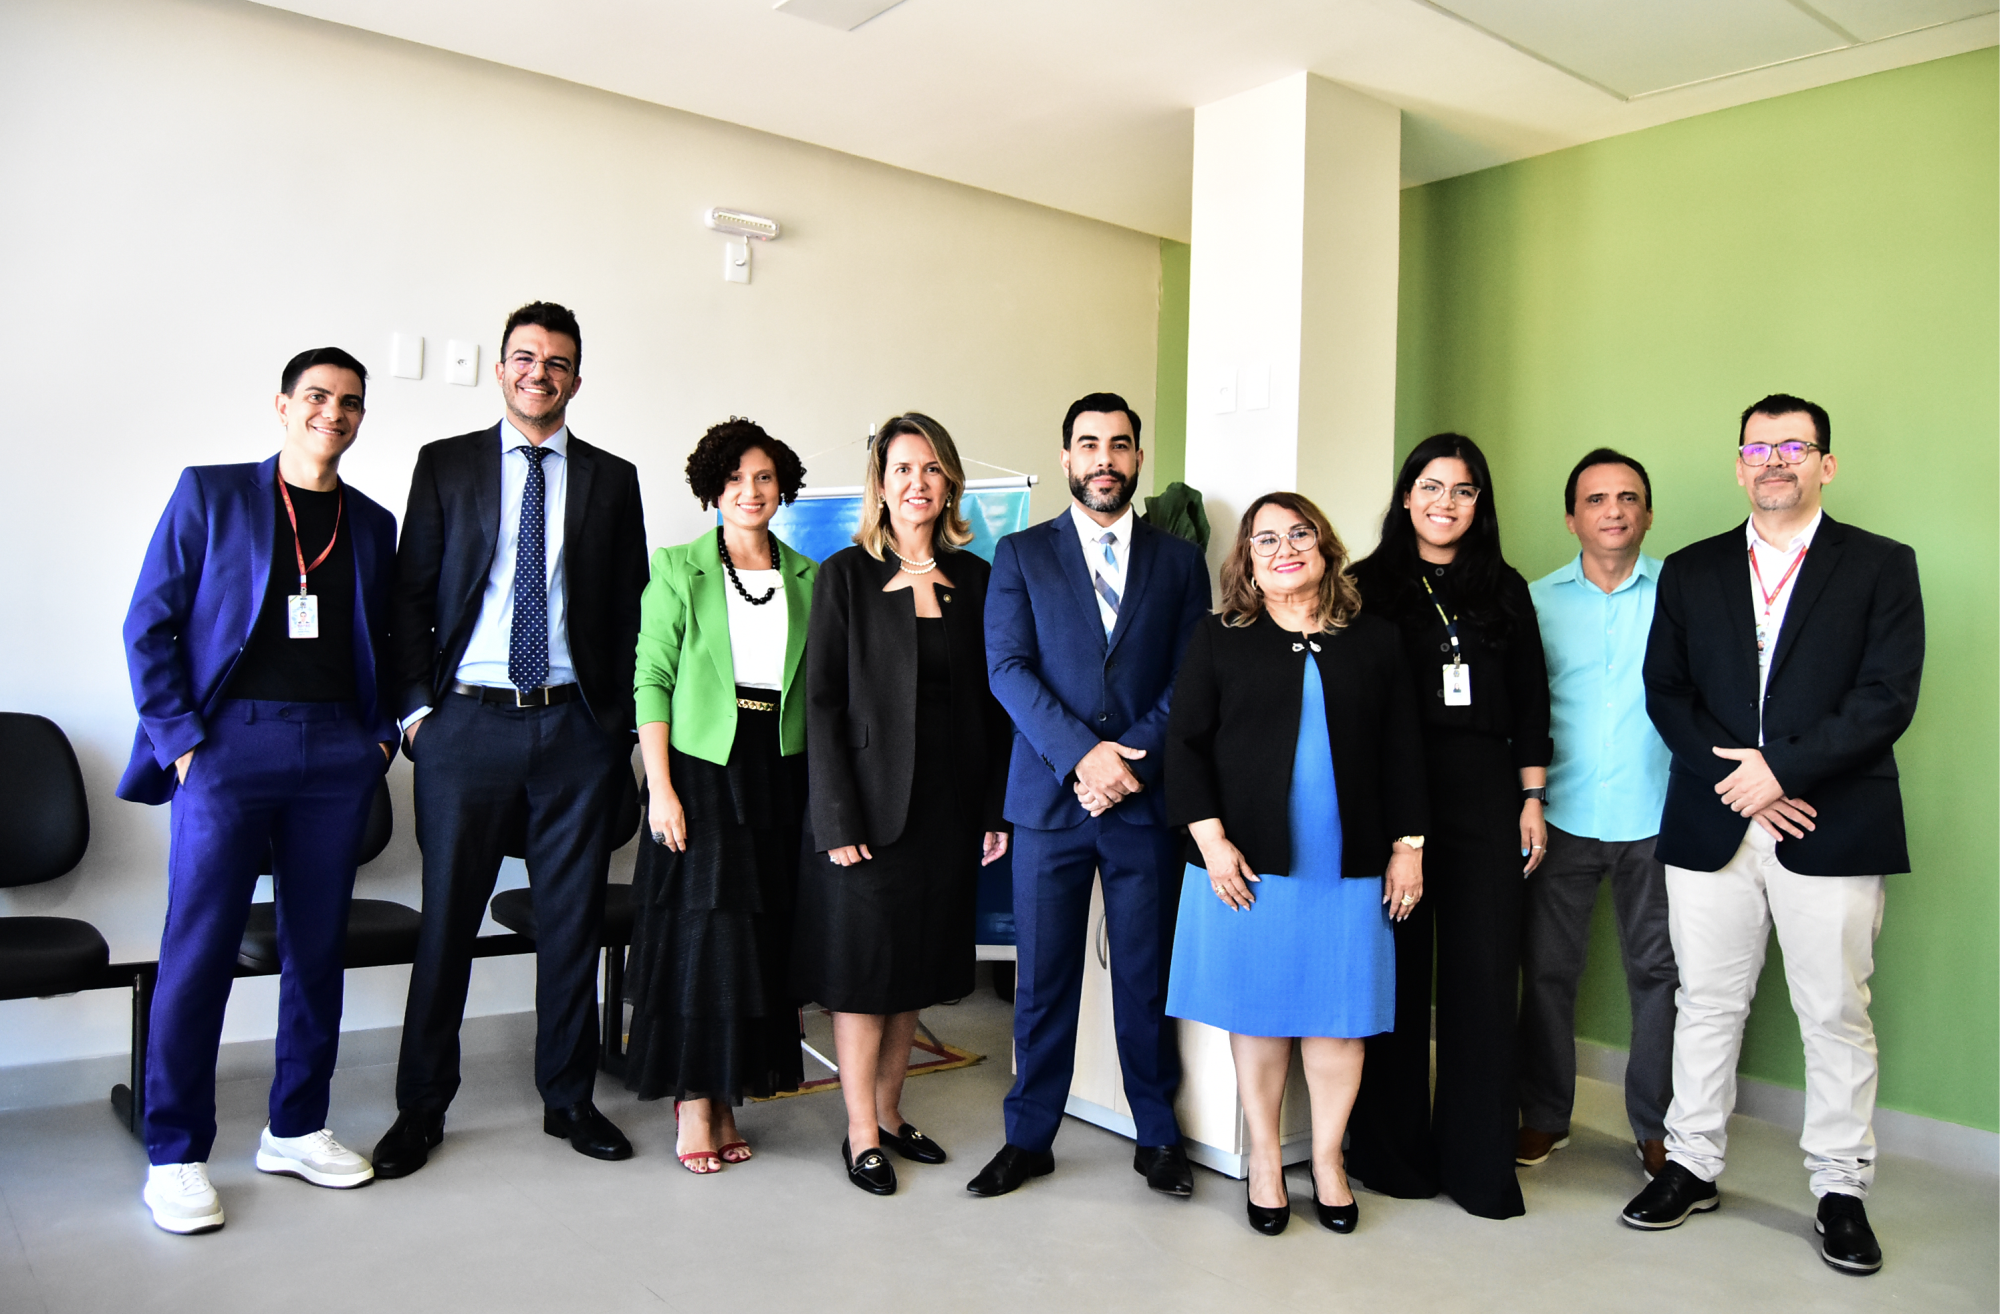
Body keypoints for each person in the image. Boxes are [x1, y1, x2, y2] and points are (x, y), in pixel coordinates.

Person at [1622, 395, 1923, 1277]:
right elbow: (1666, 691)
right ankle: (1690, 1164)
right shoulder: (1692, 569)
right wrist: (1741, 784)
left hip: (1832, 819)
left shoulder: (1880, 565)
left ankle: (1840, 1189)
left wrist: (1781, 773)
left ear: (1826, 464)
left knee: (1834, 1012)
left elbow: (1886, 697)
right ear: (1739, 465)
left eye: (1794, 446)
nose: (1774, 461)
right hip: (1712, 820)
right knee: (1707, 1003)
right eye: (1758, 448)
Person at [119, 347, 399, 1233]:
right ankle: (175, 1154)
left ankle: (296, 1127)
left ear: (361, 417)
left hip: (337, 752)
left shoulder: (372, 523)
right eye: (316, 396)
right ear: (282, 406)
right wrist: (182, 744)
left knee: (316, 948)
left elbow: (389, 641)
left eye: (349, 402)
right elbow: (148, 624)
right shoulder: (212, 494)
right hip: (227, 748)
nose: (332, 413)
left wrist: (380, 736)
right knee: (199, 948)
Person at [374, 301, 649, 1176]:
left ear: (577, 379)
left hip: (575, 728)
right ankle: (421, 1108)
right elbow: (409, 597)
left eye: (557, 361)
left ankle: (568, 1100)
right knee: (447, 925)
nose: (540, 373)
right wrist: (417, 717)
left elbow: (631, 610)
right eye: (525, 358)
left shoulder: (613, 479)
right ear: (501, 370)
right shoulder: (446, 464)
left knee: (570, 924)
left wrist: (614, 728)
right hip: (466, 726)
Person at [1163, 493, 1427, 1236]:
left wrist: (1408, 847)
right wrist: (1212, 844)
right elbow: (1185, 747)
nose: (1285, 549)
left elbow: (1404, 749)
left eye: (1299, 534)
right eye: (1266, 539)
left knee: (1340, 1022)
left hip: (1349, 864)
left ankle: (1331, 1162)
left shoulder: (1375, 640)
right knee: (1261, 1017)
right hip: (1248, 865)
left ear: (1325, 547)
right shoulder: (1218, 638)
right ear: (1247, 561)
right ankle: (1268, 1163)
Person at [970, 392, 1210, 1200]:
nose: (1104, 459)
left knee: (1146, 978)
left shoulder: (1178, 563)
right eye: (1089, 444)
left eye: (1119, 444)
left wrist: (1126, 763)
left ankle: (1158, 1135)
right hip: (1049, 803)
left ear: (1137, 457)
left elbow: (1189, 678)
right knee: (1042, 982)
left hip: (1142, 802)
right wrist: (1083, 758)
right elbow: (1008, 670)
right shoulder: (1021, 555)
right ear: (1067, 457)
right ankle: (1028, 1137)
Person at [795, 412, 1012, 1196]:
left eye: (930, 468)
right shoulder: (844, 576)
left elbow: (996, 707)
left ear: (949, 482)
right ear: (880, 487)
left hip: (947, 814)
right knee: (865, 976)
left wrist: (993, 810)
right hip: (866, 816)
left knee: (912, 970)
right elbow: (821, 704)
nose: (917, 482)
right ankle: (860, 1133)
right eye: (902, 470)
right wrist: (836, 817)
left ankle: (889, 1113)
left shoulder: (979, 581)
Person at [1344, 432, 1552, 1221]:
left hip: (1485, 795)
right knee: (1395, 977)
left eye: (1463, 490)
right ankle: (1391, 1158)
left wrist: (1531, 797)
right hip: (1393, 796)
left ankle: (1478, 1167)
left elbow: (1531, 700)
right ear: (1406, 496)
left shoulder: (1505, 587)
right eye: (1431, 487)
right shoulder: (1364, 586)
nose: (1445, 503)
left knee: (1484, 980)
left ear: (1479, 504)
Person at [624, 419, 817, 1173]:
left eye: (764, 477)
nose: (750, 491)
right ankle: (696, 1101)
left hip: (780, 773)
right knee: (704, 943)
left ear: (782, 487)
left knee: (758, 945)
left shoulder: (811, 577)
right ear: (713, 487)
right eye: (735, 478)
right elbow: (651, 679)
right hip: (701, 771)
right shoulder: (678, 567)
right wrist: (660, 788)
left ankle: (731, 1093)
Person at [1518, 450, 1678, 1178]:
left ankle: (1658, 1127)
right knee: (1548, 973)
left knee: (1661, 975)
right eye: (1596, 499)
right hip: (1561, 815)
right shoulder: (1535, 602)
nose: (1613, 510)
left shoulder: (1682, 595)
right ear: (1571, 518)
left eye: (1628, 497)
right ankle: (1545, 1115)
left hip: (1659, 815)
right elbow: (1522, 708)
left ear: (1648, 513)